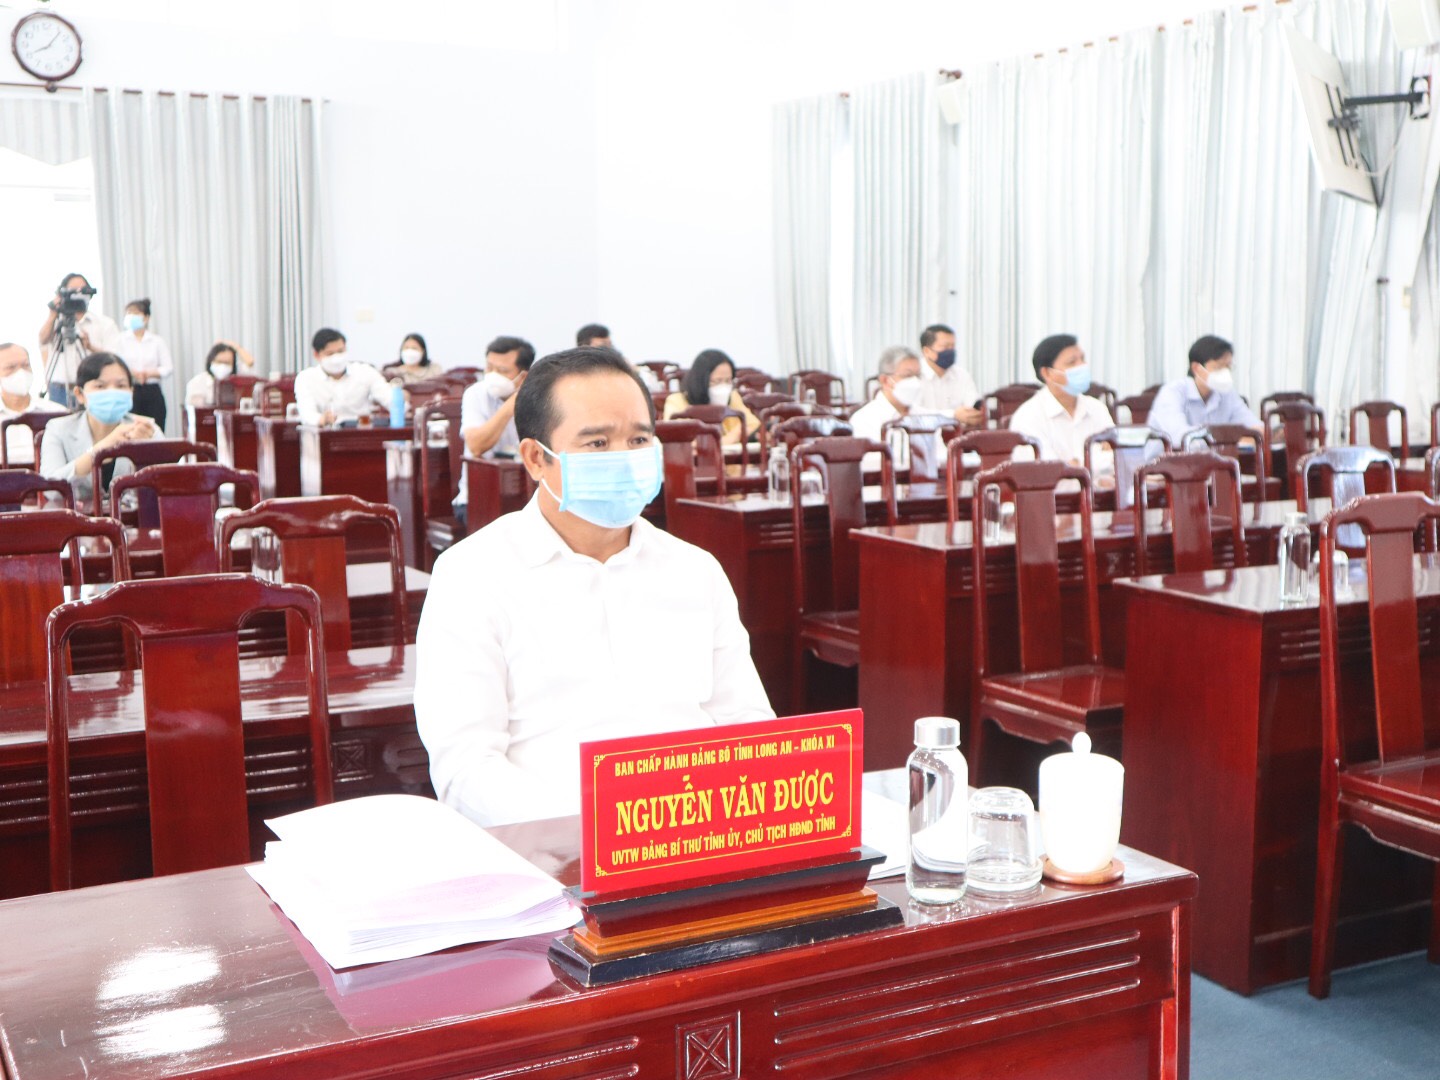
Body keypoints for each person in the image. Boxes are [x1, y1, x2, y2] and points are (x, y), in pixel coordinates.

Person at [415, 346, 774, 827]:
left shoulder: (696, 569)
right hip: (551, 849)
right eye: (598, 444)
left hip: (696, 835)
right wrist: (598, 830)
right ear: (536, 459)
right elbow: (465, 768)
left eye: (639, 439)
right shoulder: (472, 576)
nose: (624, 459)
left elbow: (748, 728)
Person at [39, 351, 160, 508]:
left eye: (121, 385)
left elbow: (165, 486)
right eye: (100, 386)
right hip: (77, 519)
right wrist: (101, 449)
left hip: (134, 519)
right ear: (80, 394)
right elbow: (50, 490)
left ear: (131, 391)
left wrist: (145, 452)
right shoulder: (58, 429)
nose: (112, 392)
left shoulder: (147, 428)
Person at [1008, 333, 1115, 484]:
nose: (1082, 366)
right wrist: (1096, 464)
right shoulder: (1028, 416)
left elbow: (1116, 460)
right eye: (1072, 362)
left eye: (1082, 359)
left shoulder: (1097, 409)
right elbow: (1047, 475)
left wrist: (1075, 465)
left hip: (1101, 497)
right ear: (1047, 373)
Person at [452, 335, 536, 527]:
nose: (492, 375)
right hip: (477, 498)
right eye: (489, 368)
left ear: (523, 376)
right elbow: (476, 446)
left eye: (502, 371)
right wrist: (508, 408)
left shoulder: (537, 398)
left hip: (526, 495)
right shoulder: (475, 394)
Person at [1147, 335, 1261, 446]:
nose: (1225, 372)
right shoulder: (1172, 393)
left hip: (1213, 458)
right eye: (1219, 367)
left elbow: (1257, 430)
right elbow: (1181, 439)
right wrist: (1229, 440)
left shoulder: (1226, 393)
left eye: (1228, 367)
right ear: (1196, 368)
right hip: (1165, 458)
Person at [37, 273, 120, 406]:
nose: (78, 293)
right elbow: (43, 340)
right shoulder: (55, 322)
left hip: (91, 388)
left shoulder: (104, 323)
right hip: (58, 389)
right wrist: (52, 314)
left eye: (83, 289)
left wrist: (91, 347)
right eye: (73, 290)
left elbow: (115, 358)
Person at [292, 328, 393, 426]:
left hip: (360, 430)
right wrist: (321, 419)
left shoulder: (365, 372)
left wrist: (399, 403)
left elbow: (390, 399)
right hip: (325, 431)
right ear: (316, 355)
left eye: (340, 351)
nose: (337, 358)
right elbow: (307, 414)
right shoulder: (306, 378)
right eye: (330, 353)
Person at [847, 346, 923, 471]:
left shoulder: (924, 415)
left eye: (918, 376)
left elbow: (940, 457)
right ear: (885, 380)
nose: (915, 382)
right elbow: (869, 466)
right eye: (908, 375)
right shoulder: (863, 419)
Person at [662, 349, 760, 445]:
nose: (723, 387)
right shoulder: (676, 401)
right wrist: (727, 440)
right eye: (717, 381)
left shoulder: (732, 396)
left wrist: (736, 434)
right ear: (701, 381)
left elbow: (753, 424)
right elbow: (679, 439)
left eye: (728, 381)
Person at [0, 342, 68, 465]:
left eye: (26, 365)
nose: (20, 372)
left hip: (47, 475)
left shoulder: (57, 413)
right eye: (10, 367)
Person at [113, 299, 174, 430]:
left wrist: (148, 374)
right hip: (130, 390)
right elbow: (115, 364)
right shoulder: (120, 340)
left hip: (152, 391)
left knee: (154, 429)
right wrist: (132, 374)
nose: (131, 316)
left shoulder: (157, 341)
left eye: (135, 313)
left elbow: (168, 368)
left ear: (146, 318)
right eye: (128, 313)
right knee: (130, 429)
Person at [914, 323, 983, 426]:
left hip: (958, 433)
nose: (950, 351)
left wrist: (974, 413)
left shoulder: (961, 375)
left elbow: (972, 403)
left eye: (952, 346)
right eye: (945, 347)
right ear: (927, 351)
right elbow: (914, 414)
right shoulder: (913, 376)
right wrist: (952, 415)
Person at [185, 341, 257, 407]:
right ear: (211, 361)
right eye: (219, 362)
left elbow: (250, 362)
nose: (222, 366)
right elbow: (194, 410)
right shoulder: (197, 383)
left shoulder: (236, 381)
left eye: (227, 363)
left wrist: (235, 346)